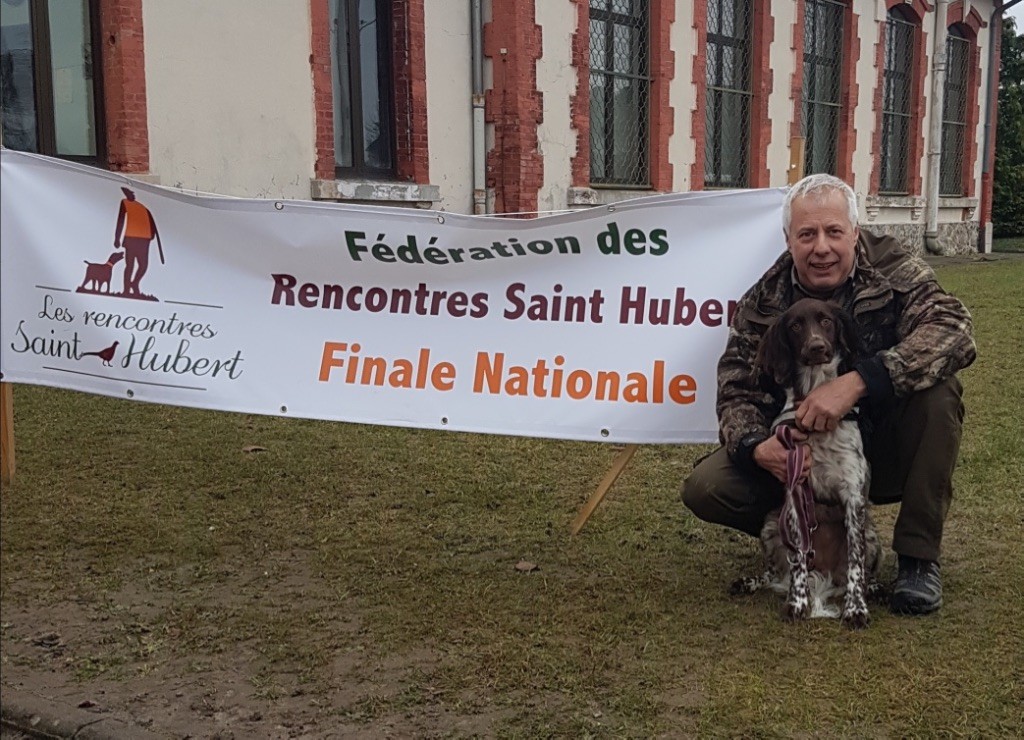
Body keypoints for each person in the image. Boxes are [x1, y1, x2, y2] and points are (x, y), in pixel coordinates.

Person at [682, 173, 976, 616]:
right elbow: (735, 388)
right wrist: (756, 448)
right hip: (798, 456)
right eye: (807, 234)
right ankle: (801, 536)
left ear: (854, 233)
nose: (821, 247)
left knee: (940, 395)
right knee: (707, 487)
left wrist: (859, 382)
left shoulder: (893, 269)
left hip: (882, 443)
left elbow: (953, 329)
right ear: (788, 240)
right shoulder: (764, 300)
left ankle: (917, 559)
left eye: (834, 232)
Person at [113, 186, 164, 296]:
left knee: (143, 265)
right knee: (129, 265)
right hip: (131, 238)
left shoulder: (143, 207)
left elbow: (151, 223)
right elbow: (120, 220)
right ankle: (126, 290)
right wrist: (117, 238)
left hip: (144, 240)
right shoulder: (125, 202)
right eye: (130, 193)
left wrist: (152, 236)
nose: (133, 195)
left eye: (132, 193)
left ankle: (134, 283)